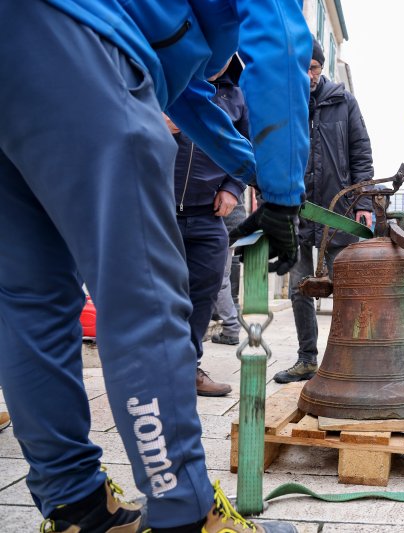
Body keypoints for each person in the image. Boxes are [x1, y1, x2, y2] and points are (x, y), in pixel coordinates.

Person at [0, 1, 310, 532]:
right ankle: (185, 515)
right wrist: (283, 192)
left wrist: (253, 169)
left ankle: (78, 509)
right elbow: (280, 37)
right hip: (81, 43)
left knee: (31, 302)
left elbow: (186, 96)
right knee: (143, 295)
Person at [274, 38, 375, 384]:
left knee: (345, 290)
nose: (308, 76)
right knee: (298, 288)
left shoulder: (344, 102)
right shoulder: (288, 103)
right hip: (297, 212)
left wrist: (363, 203)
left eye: (313, 68)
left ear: (321, 67)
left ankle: (345, 362)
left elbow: (362, 155)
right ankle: (306, 359)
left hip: (338, 211)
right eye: (301, 70)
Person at [168, 57, 248, 397]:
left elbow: (248, 149)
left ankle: (187, 370)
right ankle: (152, 370)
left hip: (208, 215)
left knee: (203, 293)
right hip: (158, 210)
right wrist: (154, 122)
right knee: (156, 295)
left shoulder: (238, 98)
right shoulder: (166, 78)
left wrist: (233, 187)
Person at [210, 199, 247, 346]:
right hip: (233, 222)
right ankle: (231, 327)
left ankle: (231, 328)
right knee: (222, 277)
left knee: (219, 279)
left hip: (225, 223)